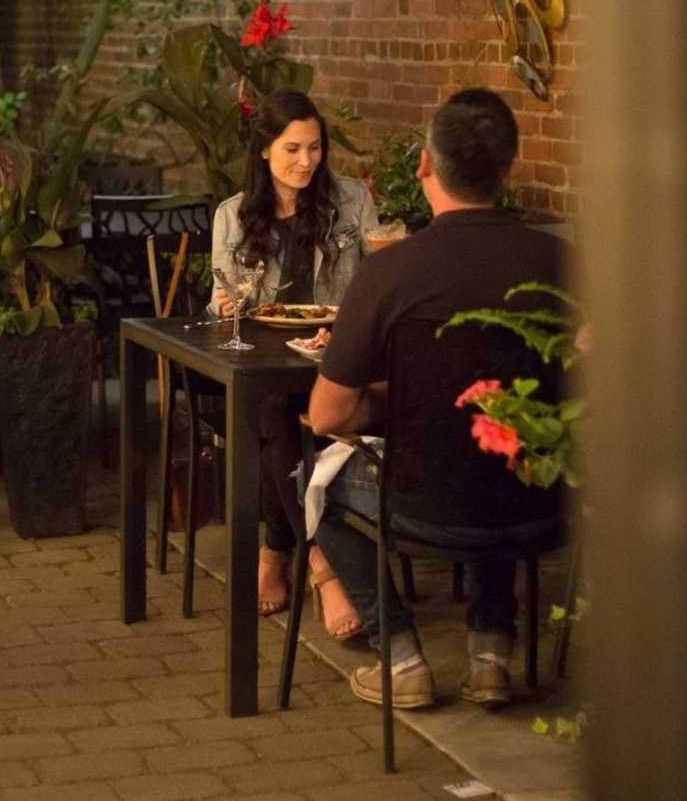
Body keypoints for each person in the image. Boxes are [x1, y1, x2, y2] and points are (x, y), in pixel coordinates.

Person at [306, 88, 568, 710]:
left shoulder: (392, 273)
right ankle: (491, 658)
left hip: (422, 503)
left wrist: (389, 402)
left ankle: (401, 658)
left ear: (425, 163)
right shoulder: (564, 262)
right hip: (546, 502)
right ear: (510, 166)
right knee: (500, 458)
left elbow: (327, 415)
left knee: (311, 485)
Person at [209, 88, 377, 636]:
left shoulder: (351, 202)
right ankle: (323, 564)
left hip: (337, 358)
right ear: (264, 150)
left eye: (315, 148)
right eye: (292, 150)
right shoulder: (233, 216)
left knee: (287, 414)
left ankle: (275, 553)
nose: (306, 162)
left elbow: (376, 285)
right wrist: (226, 304)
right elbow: (220, 301)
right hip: (267, 365)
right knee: (278, 411)